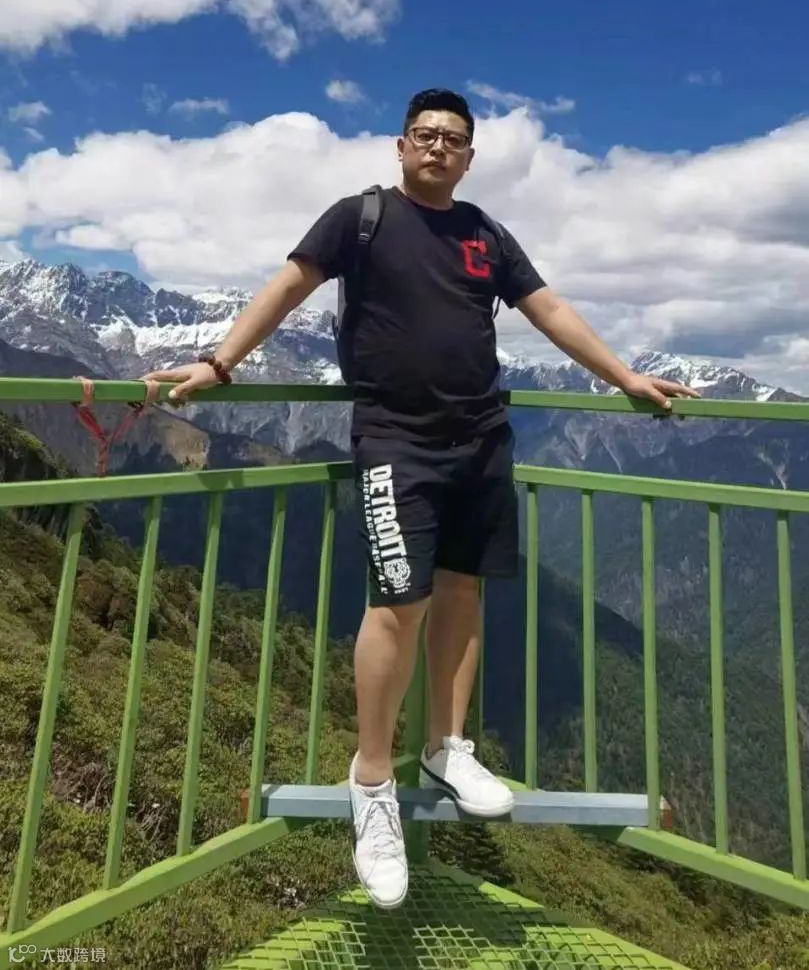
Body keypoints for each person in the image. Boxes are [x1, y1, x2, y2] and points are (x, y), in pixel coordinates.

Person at [143, 88, 699, 910]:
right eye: (425, 135)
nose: (438, 147)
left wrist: (623, 376)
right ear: (400, 146)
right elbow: (288, 286)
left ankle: (446, 747)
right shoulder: (358, 219)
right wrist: (220, 363)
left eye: (452, 139)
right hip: (395, 442)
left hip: (481, 440)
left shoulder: (485, 235)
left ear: (468, 158)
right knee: (397, 606)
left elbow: (548, 308)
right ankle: (371, 782)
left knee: (462, 593)